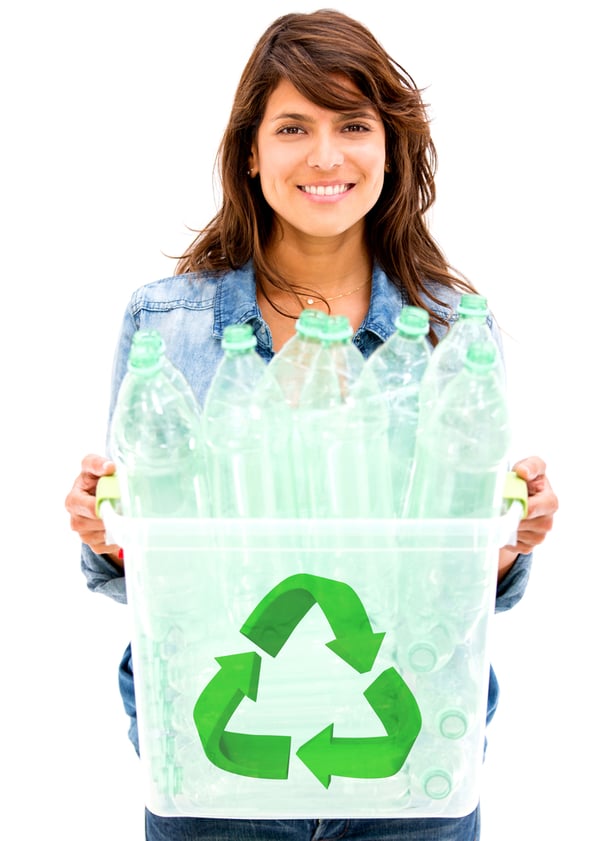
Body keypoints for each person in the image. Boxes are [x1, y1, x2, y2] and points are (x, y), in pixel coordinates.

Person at [65, 9, 558, 841]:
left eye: (353, 125)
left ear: (390, 150)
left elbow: (462, 598)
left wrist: (504, 544)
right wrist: (108, 532)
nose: (325, 156)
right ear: (250, 153)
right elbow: (143, 584)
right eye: (293, 127)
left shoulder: (450, 332)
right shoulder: (166, 325)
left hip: (404, 756)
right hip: (216, 753)